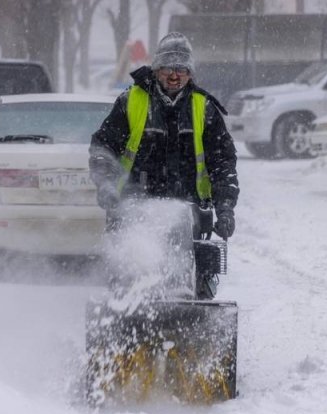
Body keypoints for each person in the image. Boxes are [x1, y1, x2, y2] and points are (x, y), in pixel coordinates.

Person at [89, 32, 240, 299]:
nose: (175, 75)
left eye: (182, 69)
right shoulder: (130, 102)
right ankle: (126, 316)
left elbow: (223, 163)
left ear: (190, 73)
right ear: (157, 68)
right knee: (127, 279)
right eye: (169, 67)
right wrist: (108, 185)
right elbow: (103, 148)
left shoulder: (204, 109)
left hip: (191, 209)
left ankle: (189, 323)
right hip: (133, 206)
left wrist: (225, 207)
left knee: (195, 284)